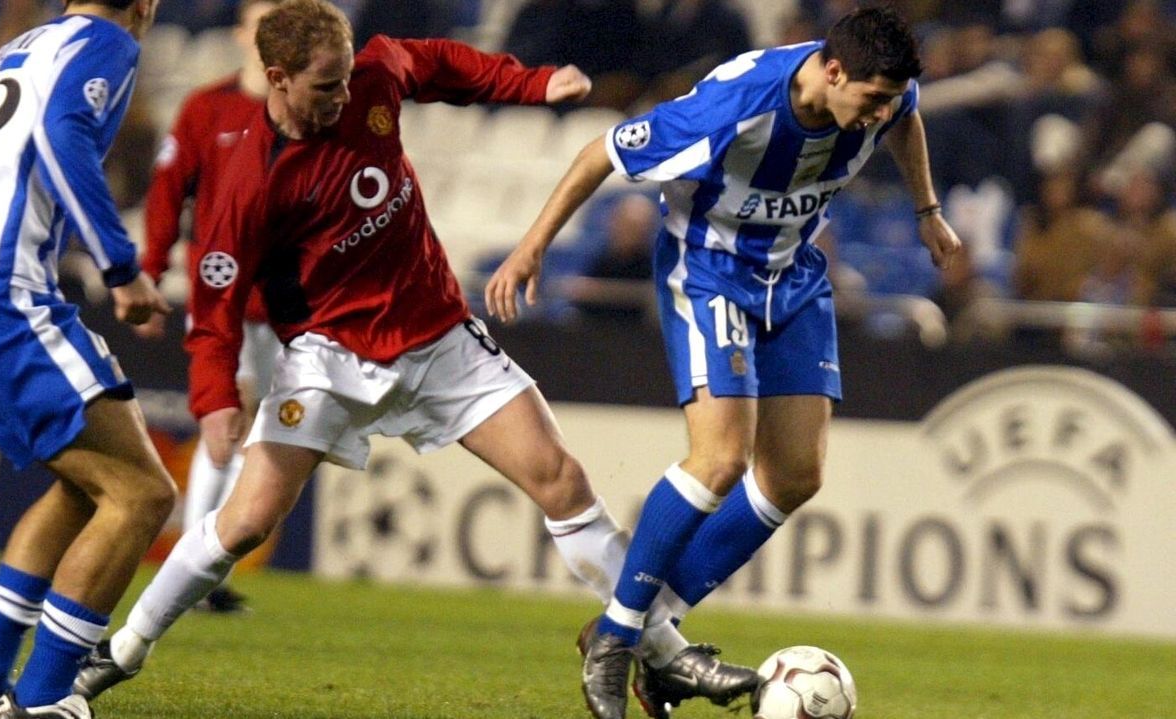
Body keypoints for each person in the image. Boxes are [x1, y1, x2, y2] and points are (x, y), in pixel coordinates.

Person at [71, 1, 760, 714]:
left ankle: (666, 656)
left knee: (561, 481)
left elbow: (438, 62)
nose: (343, 96)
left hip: (439, 337)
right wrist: (215, 400)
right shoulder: (248, 179)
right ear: (276, 78)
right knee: (245, 522)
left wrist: (531, 84)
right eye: (323, 87)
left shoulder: (371, 77)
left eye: (344, 80)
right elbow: (215, 305)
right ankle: (122, 651)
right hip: (328, 360)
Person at [485, 7, 962, 719]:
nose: (881, 114)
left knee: (796, 474)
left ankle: (649, 636)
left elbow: (908, 117)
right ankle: (617, 639)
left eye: (889, 99)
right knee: (719, 460)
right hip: (708, 272)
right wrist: (531, 246)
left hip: (794, 276)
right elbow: (599, 154)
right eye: (870, 100)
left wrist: (925, 208)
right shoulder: (733, 108)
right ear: (833, 73)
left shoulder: (883, 92)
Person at [0, 2, 177, 719]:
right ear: (145, 3)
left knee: (85, 483)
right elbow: (64, 134)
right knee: (142, 493)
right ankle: (44, 698)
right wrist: (121, 266)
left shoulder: (3, 57)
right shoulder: (106, 43)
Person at [135, 0, 283, 614]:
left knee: (262, 429)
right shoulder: (207, 108)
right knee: (228, 418)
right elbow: (167, 195)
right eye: (264, 22)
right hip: (222, 294)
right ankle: (195, 570)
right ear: (241, 34)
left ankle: (202, 567)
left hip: (290, 298)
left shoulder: (312, 106)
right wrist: (148, 276)